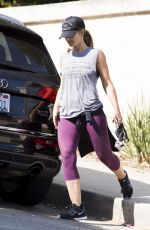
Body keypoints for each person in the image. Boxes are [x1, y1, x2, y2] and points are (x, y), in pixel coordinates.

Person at [53, 16, 133, 221]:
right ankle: (77, 208)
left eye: (71, 35)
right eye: (65, 37)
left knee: (104, 155)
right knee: (68, 156)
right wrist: (56, 107)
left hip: (92, 114)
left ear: (81, 32)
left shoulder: (96, 55)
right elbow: (63, 84)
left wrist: (116, 109)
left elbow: (107, 83)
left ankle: (123, 177)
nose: (68, 40)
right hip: (67, 115)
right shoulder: (64, 57)